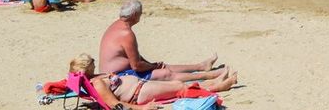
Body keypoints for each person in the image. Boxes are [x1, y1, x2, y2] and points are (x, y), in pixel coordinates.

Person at [98, 0, 226, 84]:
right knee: (165, 73)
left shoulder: (116, 25)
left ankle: (201, 66)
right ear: (135, 15)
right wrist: (152, 66)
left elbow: (131, 57)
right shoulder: (126, 34)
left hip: (113, 72)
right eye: (140, 13)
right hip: (116, 77)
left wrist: (151, 64)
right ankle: (208, 76)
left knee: (162, 66)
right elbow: (136, 66)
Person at [66, 54, 237, 110]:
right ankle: (221, 85)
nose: (95, 63)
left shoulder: (96, 78)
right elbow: (115, 105)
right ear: (87, 68)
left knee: (177, 86)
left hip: (141, 87)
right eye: (92, 63)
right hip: (139, 94)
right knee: (178, 88)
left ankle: (217, 81)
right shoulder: (97, 83)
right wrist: (144, 108)